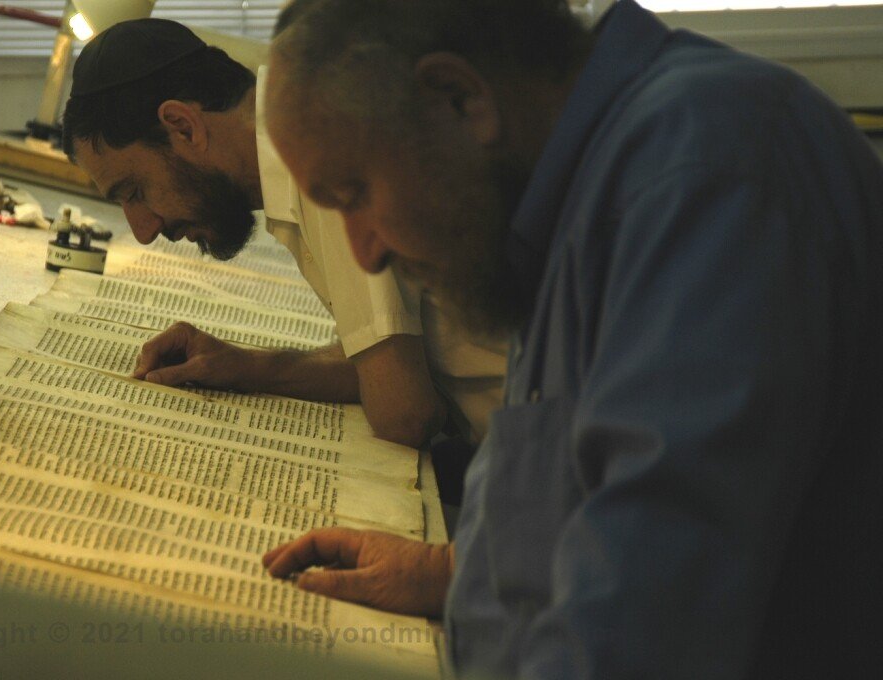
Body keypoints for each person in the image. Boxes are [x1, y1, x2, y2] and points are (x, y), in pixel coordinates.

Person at [260, 0, 883, 677]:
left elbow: (645, 630)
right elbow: (593, 508)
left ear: (459, 98)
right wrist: (448, 574)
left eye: (355, 194)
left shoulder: (701, 176)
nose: (364, 253)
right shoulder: (550, 202)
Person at [61, 19, 507, 451]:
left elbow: (405, 415)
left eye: (135, 191)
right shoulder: (294, 135)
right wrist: (249, 366)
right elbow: (395, 370)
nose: (143, 231)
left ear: (183, 126)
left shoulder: (315, 145)